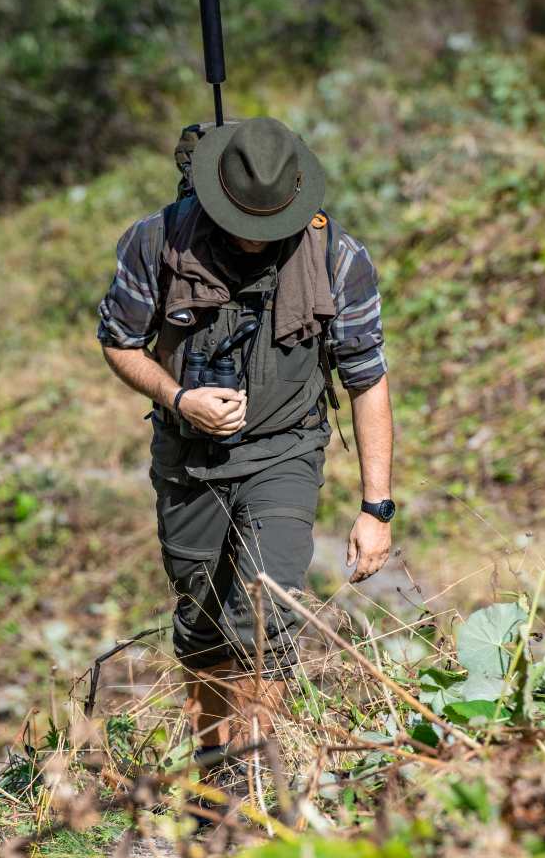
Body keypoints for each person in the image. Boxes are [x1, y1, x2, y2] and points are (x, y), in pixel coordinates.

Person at [97, 115, 394, 779]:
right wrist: (179, 398)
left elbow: (367, 378)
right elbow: (119, 342)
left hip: (286, 451)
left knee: (267, 612)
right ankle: (214, 770)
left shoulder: (336, 258)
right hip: (189, 459)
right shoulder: (157, 242)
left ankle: (253, 779)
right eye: (243, 221)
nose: (256, 237)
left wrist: (377, 506)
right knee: (202, 623)